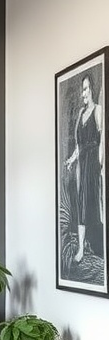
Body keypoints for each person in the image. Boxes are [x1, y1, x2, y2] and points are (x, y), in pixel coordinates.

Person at [65, 74, 104, 262]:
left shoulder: (98, 110)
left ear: (93, 89)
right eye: (82, 89)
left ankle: (95, 245)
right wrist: (71, 160)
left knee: (92, 203)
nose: (83, 94)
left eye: (86, 89)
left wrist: (101, 163)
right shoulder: (81, 113)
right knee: (81, 203)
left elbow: (103, 139)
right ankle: (81, 248)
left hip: (94, 164)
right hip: (82, 164)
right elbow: (79, 145)